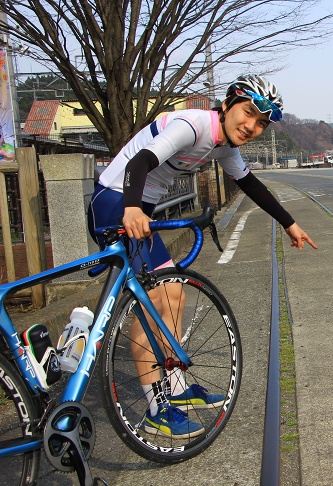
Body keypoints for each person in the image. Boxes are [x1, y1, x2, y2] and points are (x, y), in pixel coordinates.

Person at [88, 75, 317, 438]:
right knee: (151, 302)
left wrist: (289, 224)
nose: (252, 127)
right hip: (117, 201)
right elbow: (138, 164)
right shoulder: (193, 126)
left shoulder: (224, 146)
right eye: (248, 114)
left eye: (261, 123)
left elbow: (250, 184)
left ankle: (176, 388)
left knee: (174, 293)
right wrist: (132, 209)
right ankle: (155, 407)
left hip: (137, 207)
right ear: (227, 105)